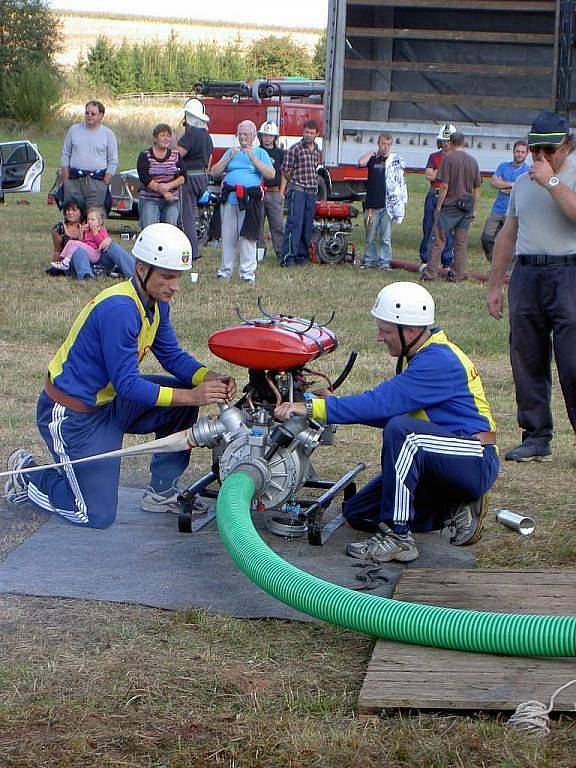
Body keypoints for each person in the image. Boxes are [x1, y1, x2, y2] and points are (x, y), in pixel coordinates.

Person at [5, 224, 237, 527]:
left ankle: (161, 492)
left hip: (109, 405)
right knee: (94, 514)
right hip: (73, 415)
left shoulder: (155, 304)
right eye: (167, 276)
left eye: (178, 277)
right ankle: (28, 475)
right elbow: (128, 385)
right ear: (141, 269)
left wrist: (209, 378)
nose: (175, 286)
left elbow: (172, 356)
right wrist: (193, 395)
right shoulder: (120, 309)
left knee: (181, 403)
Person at [275, 282, 499, 563]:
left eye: (385, 330)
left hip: (474, 459)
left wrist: (312, 408)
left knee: (403, 434)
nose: (380, 337)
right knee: (356, 514)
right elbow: (385, 410)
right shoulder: (419, 354)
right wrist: (331, 404)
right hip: (442, 456)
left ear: (411, 331)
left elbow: (380, 404)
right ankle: (450, 506)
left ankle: (398, 537)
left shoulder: (438, 361)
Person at [487, 110, 576, 463]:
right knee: (526, 356)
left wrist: (552, 182)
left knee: (572, 361)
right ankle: (536, 434)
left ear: (567, 146)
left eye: (548, 150)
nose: (541, 157)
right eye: (536, 149)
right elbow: (508, 234)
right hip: (527, 274)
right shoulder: (523, 183)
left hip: (568, 271)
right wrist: (495, 284)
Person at [210, 120, 274, 284]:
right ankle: (225, 271)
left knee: (248, 237)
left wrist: (253, 159)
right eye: (240, 134)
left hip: (249, 200)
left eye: (246, 134)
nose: (243, 138)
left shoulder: (260, 153)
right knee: (228, 236)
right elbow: (214, 172)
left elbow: (271, 174)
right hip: (230, 199)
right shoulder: (231, 152)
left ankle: (247, 273)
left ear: (253, 136)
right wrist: (229, 157)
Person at [422, 131, 481, 283]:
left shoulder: (448, 159)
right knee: (461, 242)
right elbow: (477, 189)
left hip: (450, 206)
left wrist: (439, 206)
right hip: (466, 206)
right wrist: (474, 208)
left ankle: (430, 273)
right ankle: (458, 274)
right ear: (464, 142)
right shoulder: (473, 161)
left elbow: (444, 185)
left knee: (439, 239)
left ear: (451, 143)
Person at [356, 133, 407, 270]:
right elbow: (361, 163)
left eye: (388, 144)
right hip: (372, 205)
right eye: (383, 144)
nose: (385, 147)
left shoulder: (393, 161)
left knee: (386, 237)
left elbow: (400, 181)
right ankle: (369, 261)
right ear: (379, 144)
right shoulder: (373, 159)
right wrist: (371, 153)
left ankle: (384, 262)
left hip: (387, 206)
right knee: (370, 236)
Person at [60, 100, 118, 211]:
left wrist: (104, 182)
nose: (89, 116)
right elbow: (65, 154)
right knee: (73, 215)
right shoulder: (74, 130)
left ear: (101, 115)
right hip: (74, 180)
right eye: (87, 113)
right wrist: (66, 179)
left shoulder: (108, 134)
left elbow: (113, 161)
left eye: (93, 113)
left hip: (97, 182)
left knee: (94, 217)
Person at [279, 120, 322, 267]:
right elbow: (285, 171)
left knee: (307, 225)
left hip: (311, 191)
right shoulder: (295, 149)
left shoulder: (317, 150)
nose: (308, 135)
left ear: (317, 134)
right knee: (294, 224)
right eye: (306, 132)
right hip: (298, 190)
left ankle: (301, 256)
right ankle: (288, 257)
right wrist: (284, 190)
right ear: (302, 132)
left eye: (311, 133)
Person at [176, 99, 213, 262]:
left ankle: (191, 251)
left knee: (186, 216)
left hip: (189, 177)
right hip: (202, 176)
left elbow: (177, 154)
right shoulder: (207, 136)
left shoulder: (191, 134)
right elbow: (210, 158)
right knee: (190, 213)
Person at [481, 140, 530, 261]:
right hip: (498, 209)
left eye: (522, 152)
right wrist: (513, 184)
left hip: (514, 212)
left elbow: (522, 190)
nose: (519, 154)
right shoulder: (503, 166)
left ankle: (509, 266)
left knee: (512, 241)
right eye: (517, 151)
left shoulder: (528, 171)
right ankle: (493, 260)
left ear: (527, 154)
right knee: (486, 237)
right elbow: (493, 182)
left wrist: (503, 186)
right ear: (513, 152)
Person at [419, 123, 456, 268]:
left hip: (449, 196)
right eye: (444, 141)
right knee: (428, 226)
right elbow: (429, 175)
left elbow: (451, 177)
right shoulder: (433, 156)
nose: (446, 144)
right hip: (433, 195)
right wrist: (443, 173)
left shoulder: (457, 157)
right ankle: (426, 259)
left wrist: (437, 174)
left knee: (448, 230)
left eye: (448, 141)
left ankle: (447, 260)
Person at [137, 123, 186, 230]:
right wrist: (164, 192)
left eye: (168, 136)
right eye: (162, 135)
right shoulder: (145, 155)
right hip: (150, 199)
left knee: (169, 231)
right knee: (150, 231)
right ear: (155, 138)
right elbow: (145, 178)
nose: (166, 138)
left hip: (172, 200)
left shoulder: (175, 155)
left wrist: (169, 186)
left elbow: (183, 177)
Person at [256, 121, 285, 260]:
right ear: (260, 136)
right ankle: (259, 252)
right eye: (265, 135)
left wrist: (281, 193)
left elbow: (285, 173)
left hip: (274, 193)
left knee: (277, 224)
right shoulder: (256, 152)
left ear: (275, 137)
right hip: (259, 193)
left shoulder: (280, 154)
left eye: (270, 135)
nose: (267, 138)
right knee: (257, 224)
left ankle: (280, 251)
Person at [47, 196, 86, 276]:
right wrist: (55, 266)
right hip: (68, 263)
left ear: (81, 211)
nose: (70, 213)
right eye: (68, 210)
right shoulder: (59, 229)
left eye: (74, 210)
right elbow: (58, 251)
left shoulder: (87, 226)